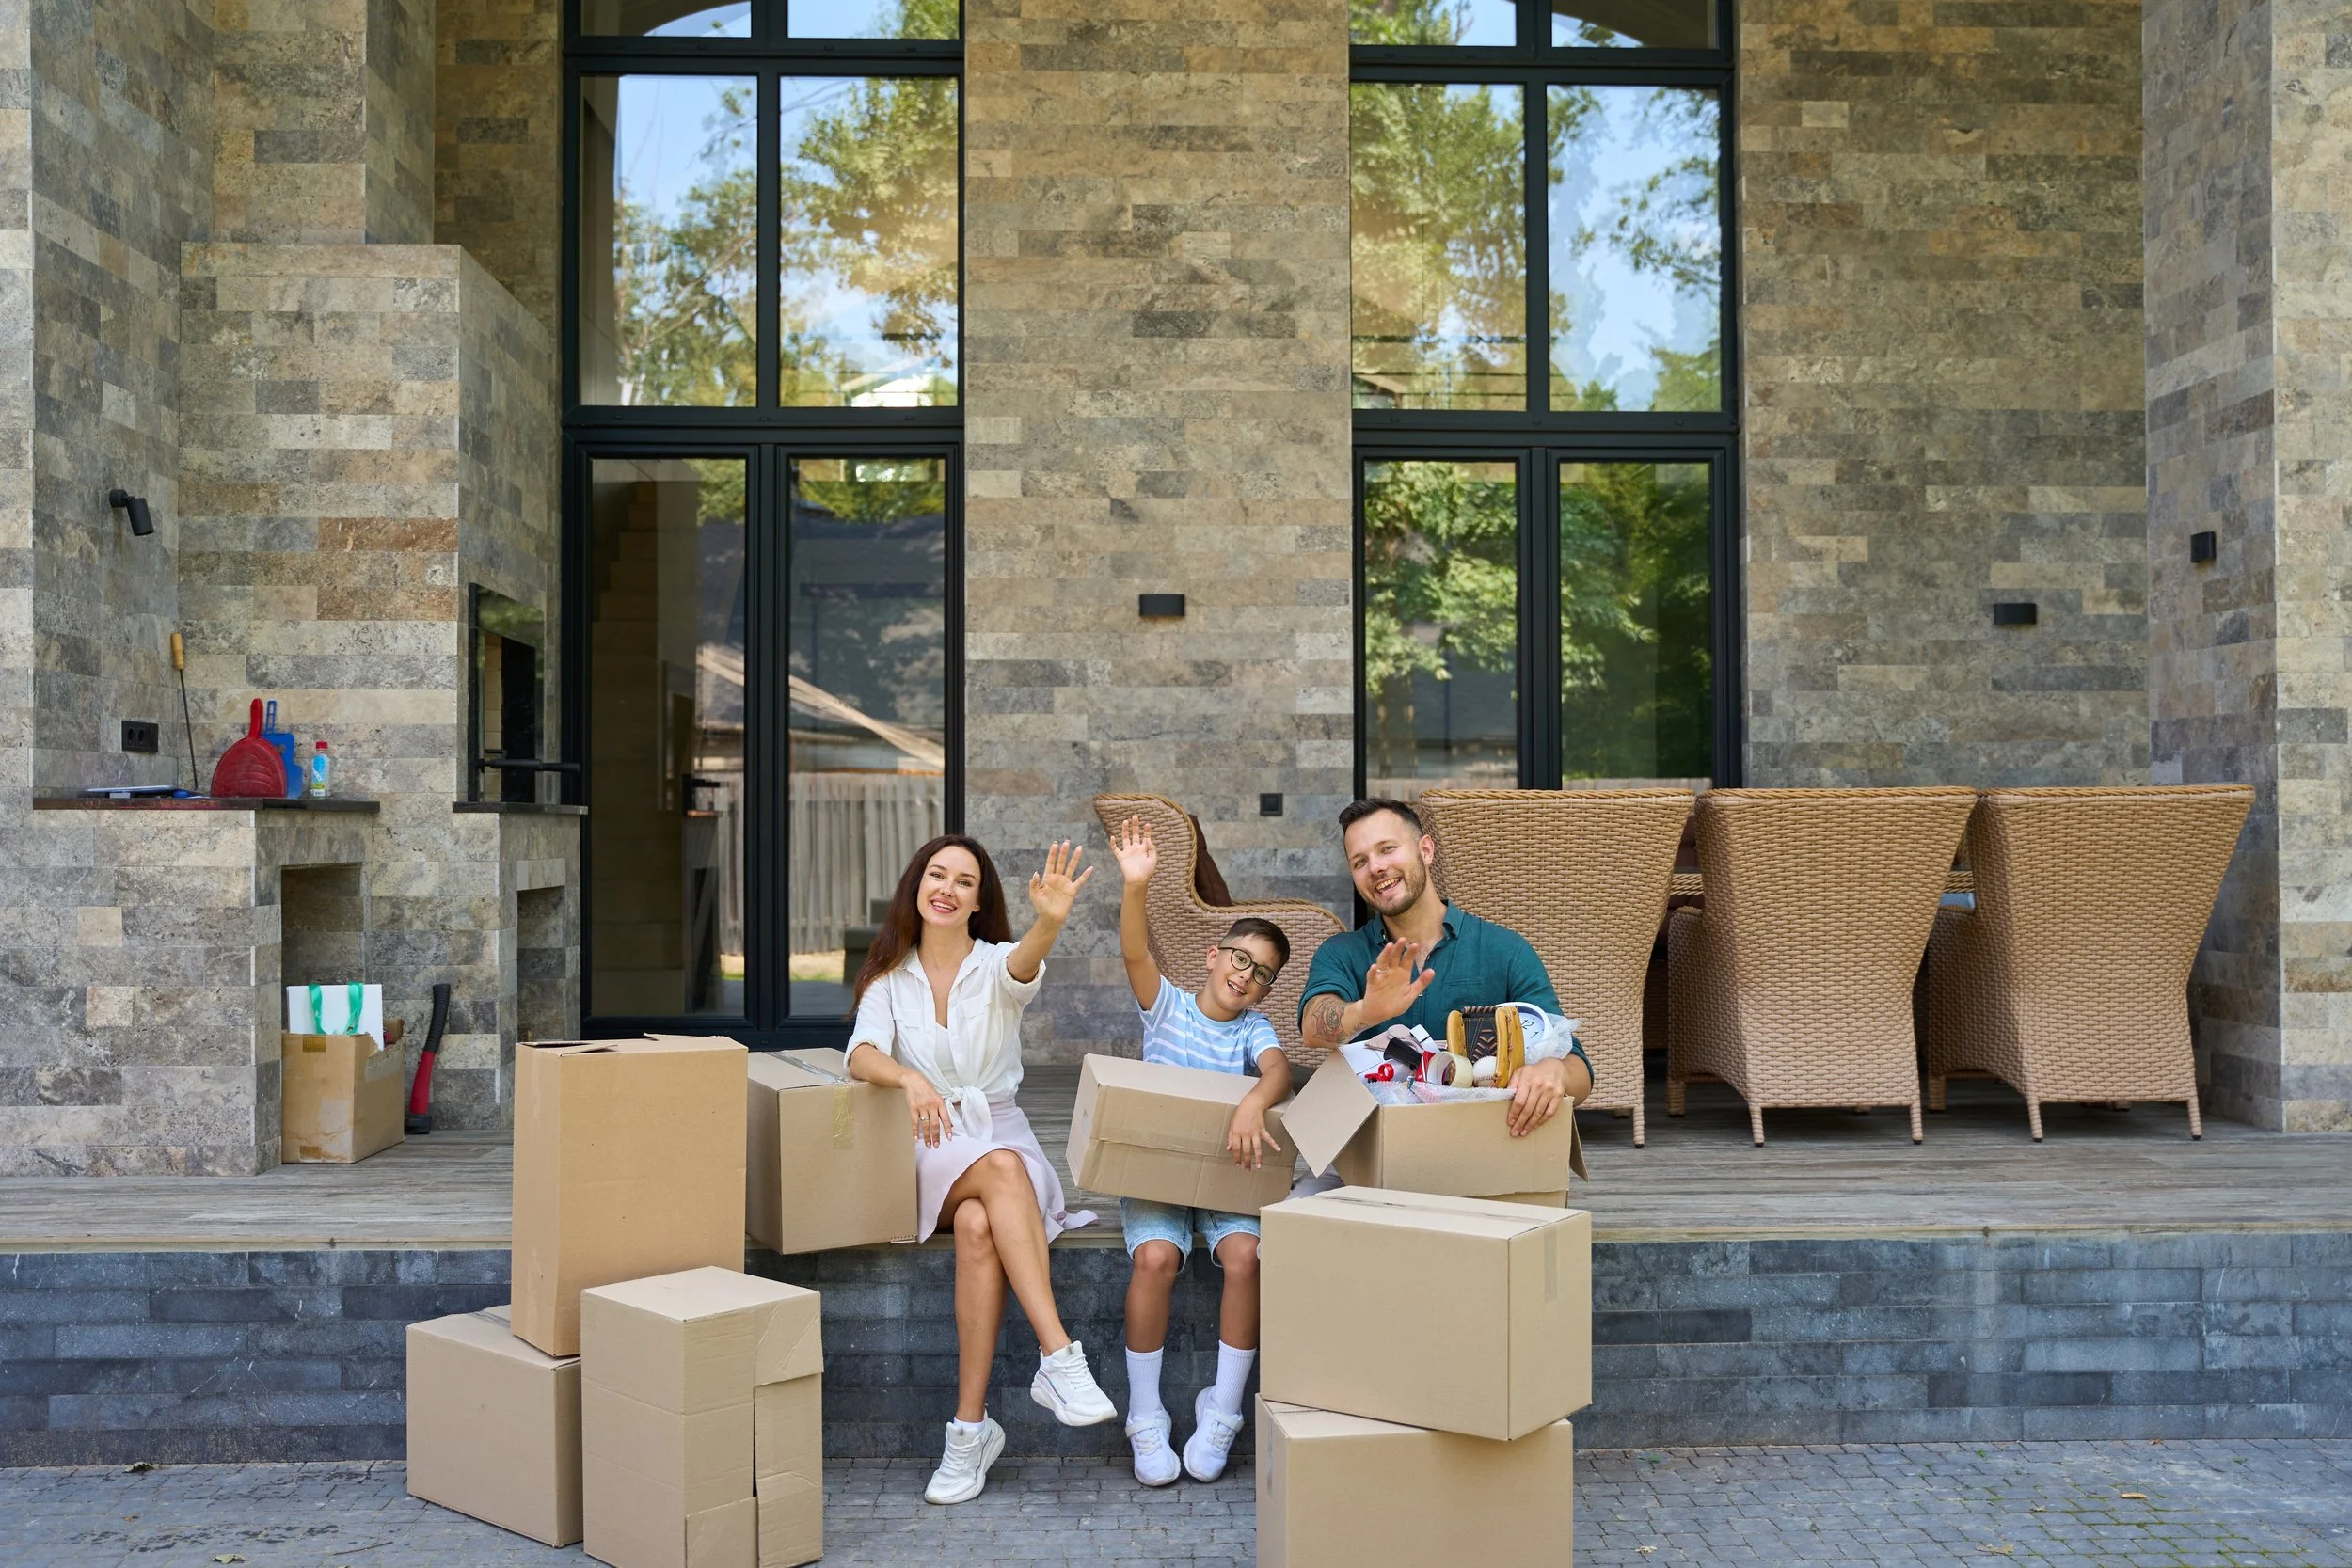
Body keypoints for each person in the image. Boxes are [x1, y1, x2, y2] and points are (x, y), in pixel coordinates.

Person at [845, 833, 1118, 1506]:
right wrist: (908, 1077)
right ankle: (1057, 1355)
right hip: (930, 1143)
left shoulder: (996, 965)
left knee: (976, 1225)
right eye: (936, 874)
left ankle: (968, 1431)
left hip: (1001, 1134)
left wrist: (1049, 920)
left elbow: (1025, 964)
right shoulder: (889, 976)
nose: (947, 887)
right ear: (917, 887)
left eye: (964, 881)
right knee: (995, 1173)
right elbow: (859, 1054)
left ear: (978, 901)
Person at [1105, 815, 1293, 1488]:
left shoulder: (1254, 1027)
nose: (1246, 976)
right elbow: (1134, 954)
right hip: (1159, 1170)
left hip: (1224, 1173)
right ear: (1214, 955)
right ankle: (1146, 1411)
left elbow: (1277, 1071)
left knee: (1247, 1255)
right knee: (1156, 1257)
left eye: (1262, 974)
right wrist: (1137, 887)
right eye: (1240, 958)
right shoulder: (1169, 1008)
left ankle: (1223, 1407)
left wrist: (1252, 1100)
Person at [1298, 798, 1593, 1136]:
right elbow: (1313, 1028)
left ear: (1425, 850)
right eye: (1360, 861)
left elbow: (1580, 1073)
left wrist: (1555, 1072)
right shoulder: (1341, 953)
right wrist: (1366, 1011)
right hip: (1376, 1156)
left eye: (1387, 849)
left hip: (1483, 1149)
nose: (1376, 867)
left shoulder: (1505, 950)